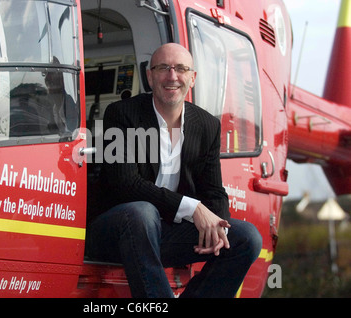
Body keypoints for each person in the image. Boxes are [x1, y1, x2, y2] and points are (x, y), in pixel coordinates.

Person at [86, 43, 262, 298]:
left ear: (192, 77)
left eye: (181, 69)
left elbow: (214, 191)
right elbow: (125, 184)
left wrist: (217, 224)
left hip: (163, 235)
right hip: (116, 232)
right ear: (149, 76)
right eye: (163, 68)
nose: (172, 76)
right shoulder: (122, 114)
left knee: (246, 237)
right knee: (141, 212)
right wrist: (193, 208)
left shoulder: (207, 125)